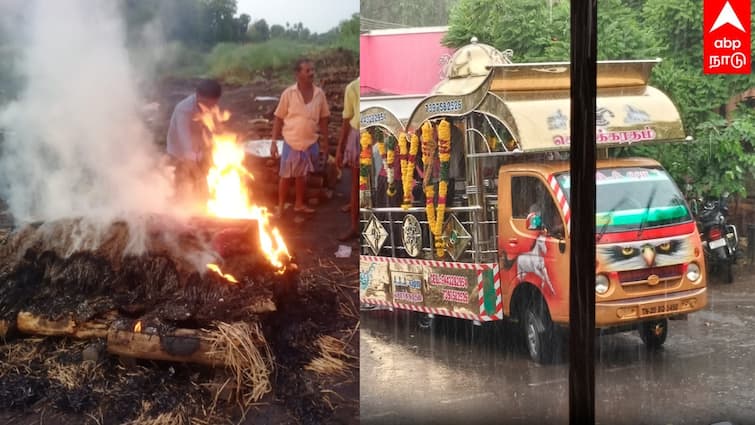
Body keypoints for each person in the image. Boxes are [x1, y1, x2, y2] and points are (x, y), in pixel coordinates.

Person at [271, 58, 330, 216]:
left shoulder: (319, 94)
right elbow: (278, 118)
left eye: (312, 70)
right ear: (298, 74)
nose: (311, 73)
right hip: (291, 141)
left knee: (302, 175)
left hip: (310, 141)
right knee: (285, 175)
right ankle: (281, 207)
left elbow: (324, 119)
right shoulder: (288, 94)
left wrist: (325, 141)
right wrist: (274, 142)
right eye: (307, 70)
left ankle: (299, 204)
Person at [166, 79, 222, 204]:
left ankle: (202, 211)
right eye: (206, 104)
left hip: (199, 151)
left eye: (213, 104)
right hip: (179, 153)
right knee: (184, 184)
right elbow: (185, 145)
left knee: (202, 188)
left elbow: (211, 132)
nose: (210, 108)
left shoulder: (212, 107)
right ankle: (179, 214)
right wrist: (197, 173)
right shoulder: (184, 110)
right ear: (197, 95)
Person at [335, 77, 360, 240]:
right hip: (359, 136)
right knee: (356, 183)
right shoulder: (353, 88)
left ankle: (357, 225)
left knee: (360, 184)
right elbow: (346, 120)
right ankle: (354, 226)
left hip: (376, 134)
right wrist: (340, 148)